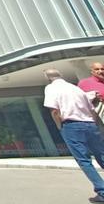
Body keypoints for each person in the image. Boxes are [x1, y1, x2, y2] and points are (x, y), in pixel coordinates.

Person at [44, 68, 104, 203]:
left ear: (47, 78)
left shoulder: (51, 88)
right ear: (61, 75)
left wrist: (60, 126)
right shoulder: (75, 88)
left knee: (83, 160)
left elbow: (54, 110)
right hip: (89, 123)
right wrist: (92, 122)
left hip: (71, 125)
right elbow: (92, 109)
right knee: (101, 154)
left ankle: (102, 191)